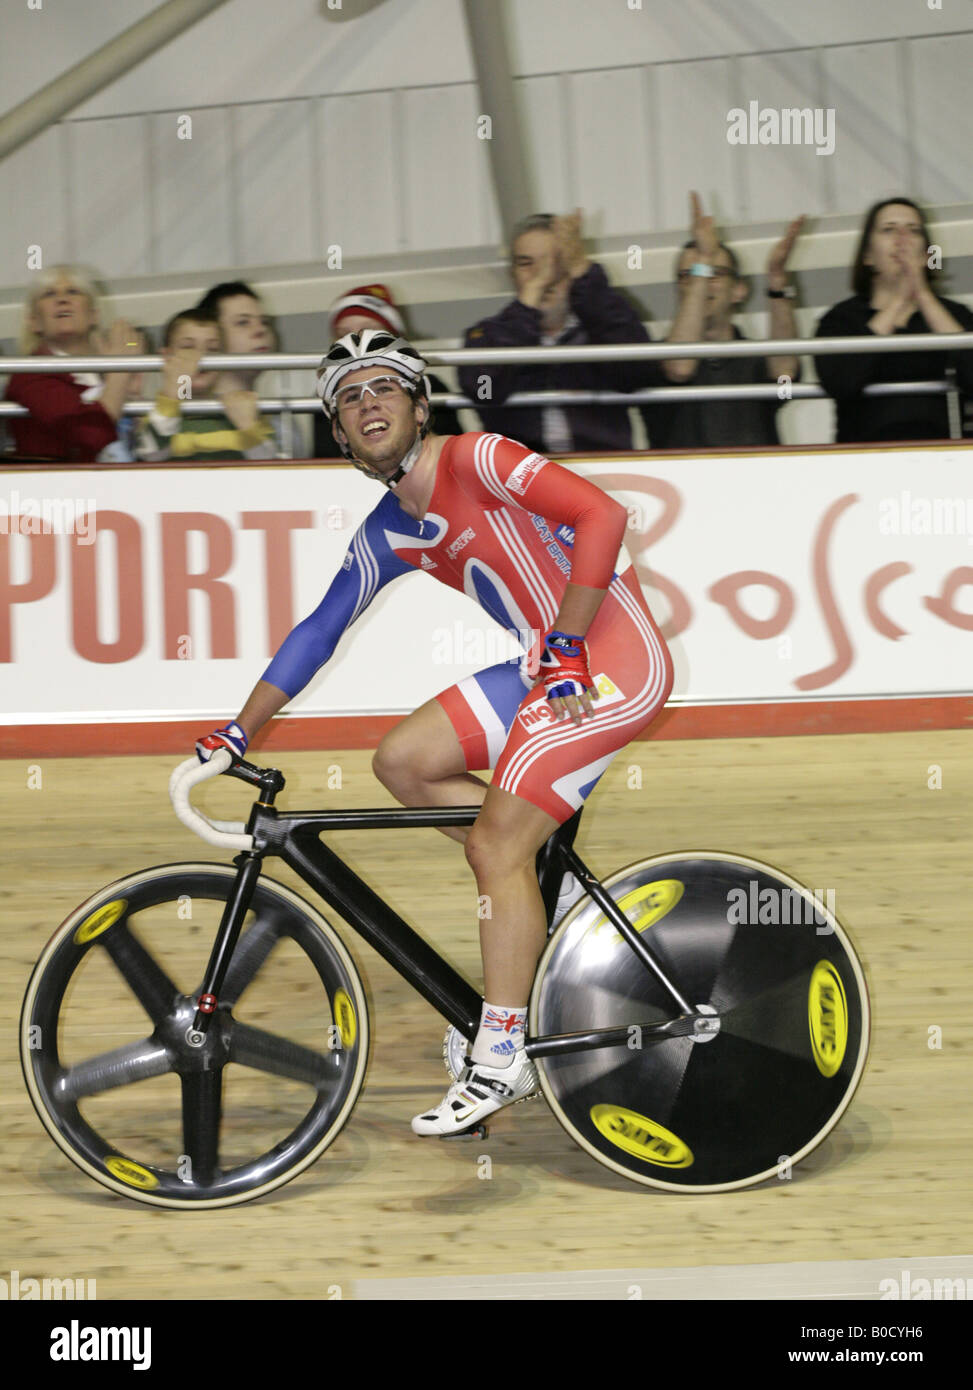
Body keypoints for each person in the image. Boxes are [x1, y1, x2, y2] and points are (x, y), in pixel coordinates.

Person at [195, 330, 674, 1137]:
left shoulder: (476, 457)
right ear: (341, 436)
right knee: (406, 762)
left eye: (383, 386)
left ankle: (501, 1055)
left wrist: (562, 645)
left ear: (419, 405)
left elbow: (603, 514)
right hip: (544, 671)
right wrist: (238, 733)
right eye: (348, 398)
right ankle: (537, 896)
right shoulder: (388, 527)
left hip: (607, 664)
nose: (367, 402)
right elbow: (320, 628)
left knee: (494, 847)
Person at [459, 210, 652, 454]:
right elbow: (483, 390)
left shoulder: (602, 329)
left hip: (602, 473)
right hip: (516, 479)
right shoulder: (487, 335)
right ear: (512, 274)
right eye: (526, 264)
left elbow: (638, 372)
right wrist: (526, 310)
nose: (543, 275)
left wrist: (585, 274)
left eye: (554, 262)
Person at [645, 193, 804, 449]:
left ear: (739, 290)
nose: (703, 281)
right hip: (678, 486)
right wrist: (705, 261)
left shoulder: (754, 357)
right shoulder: (654, 357)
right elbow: (680, 367)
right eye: (689, 274)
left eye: (715, 274)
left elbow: (784, 375)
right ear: (678, 290)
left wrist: (777, 283)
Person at [814, 197, 973, 443]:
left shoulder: (955, 314)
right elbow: (840, 382)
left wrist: (922, 295)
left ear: (926, 253)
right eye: (889, 229)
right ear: (868, 255)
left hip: (944, 459)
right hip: (862, 461)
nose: (903, 239)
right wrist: (899, 300)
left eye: (913, 230)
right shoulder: (841, 319)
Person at [4, 265, 140, 462]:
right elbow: (92, 435)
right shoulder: (28, 373)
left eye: (73, 292)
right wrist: (121, 372)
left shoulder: (104, 372)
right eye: (49, 294)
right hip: (58, 490)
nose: (62, 300)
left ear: (94, 315)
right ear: (34, 321)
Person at [312, 284, 460, 458]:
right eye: (343, 334)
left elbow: (450, 456)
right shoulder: (328, 399)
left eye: (385, 389)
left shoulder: (432, 387)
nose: (356, 343)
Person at [135, 309, 284, 461]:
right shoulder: (155, 413)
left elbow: (270, 470)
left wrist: (247, 426)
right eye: (188, 347)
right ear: (166, 356)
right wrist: (176, 389)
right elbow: (151, 457)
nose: (200, 356)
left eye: (212, 349)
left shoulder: (245, 410)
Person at [193, 280, 293, 457]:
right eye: (243, 322)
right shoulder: (190, 417)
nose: (260, 330)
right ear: (212, 337)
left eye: (265, 322)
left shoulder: (282, 421)